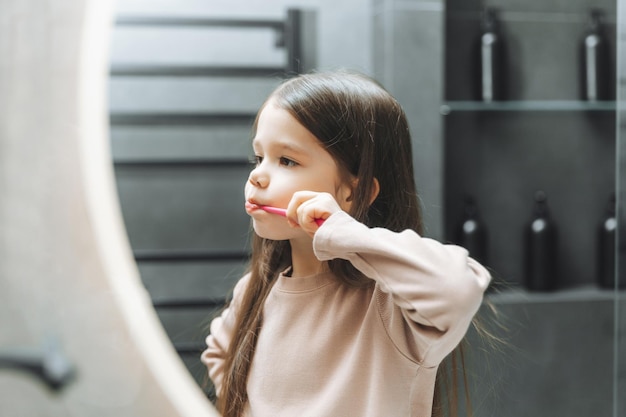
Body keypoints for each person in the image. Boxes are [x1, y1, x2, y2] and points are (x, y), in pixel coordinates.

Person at [201, 70, 492, 417]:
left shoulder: (391, 309)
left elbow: (456, 289)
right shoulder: (254, 291)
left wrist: (342, 231)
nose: (257, 175)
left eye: (287, 160)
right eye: (258, 156)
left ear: (354, 192)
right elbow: (220, 354)